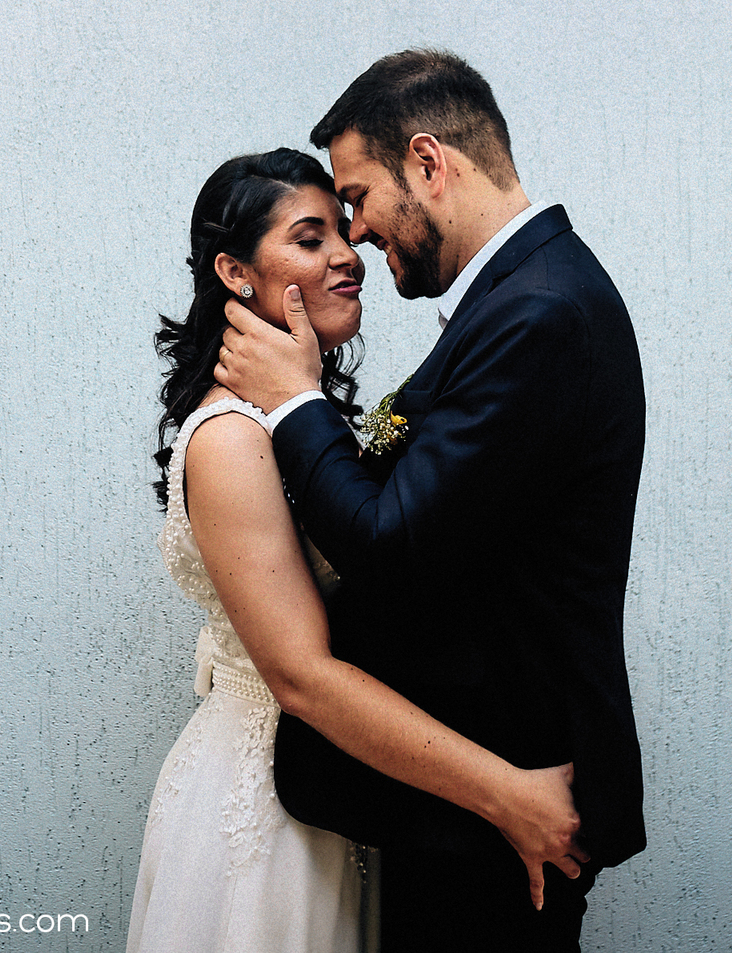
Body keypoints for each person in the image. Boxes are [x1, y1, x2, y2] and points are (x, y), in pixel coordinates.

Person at [215, 52, 647, 953]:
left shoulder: (539, 314)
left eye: (360, 199)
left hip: (511, 797)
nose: (359, 238)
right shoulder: (522, 296)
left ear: (428, 164)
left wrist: (296, 402)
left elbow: (393, 540)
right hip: (462, 801)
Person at [125, 147, 589, 953]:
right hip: (269, 810)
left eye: (344, 231)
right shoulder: (232, 439)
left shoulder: (301, 420)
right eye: (310, 239)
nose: (349, 254)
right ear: (236, 274)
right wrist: (507, 795)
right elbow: (302, 676)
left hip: (353, 791)